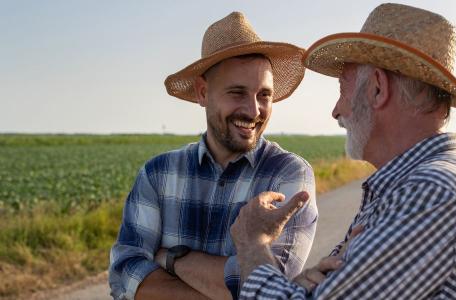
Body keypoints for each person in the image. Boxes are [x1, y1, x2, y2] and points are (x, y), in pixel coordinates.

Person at [231, 3, 456, 299]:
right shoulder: (412, 186)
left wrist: (253, 243)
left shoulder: (432, 192)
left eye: (342, 89)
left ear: (377, 88)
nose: (336, 111)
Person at [108, 12, 318, 300]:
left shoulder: (288, 174)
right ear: (203, 93)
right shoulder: (158, 174)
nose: (254, 110)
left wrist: (171, 258)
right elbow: (124, 273)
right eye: (237, 92)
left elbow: (271, 288)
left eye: (264, 95)